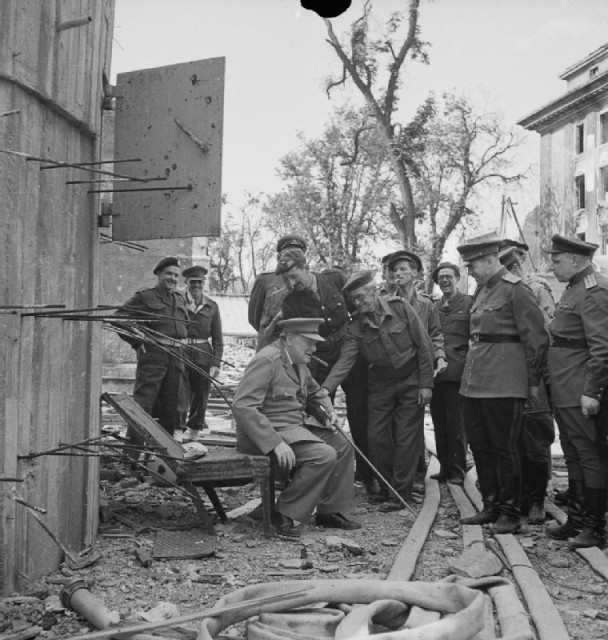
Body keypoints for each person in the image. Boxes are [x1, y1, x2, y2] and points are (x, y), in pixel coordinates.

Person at [232, 317, 360, 539]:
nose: (314, 347)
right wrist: (274, 443)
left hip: (292, 428)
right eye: (308, 342)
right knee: (323, 455)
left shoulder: (298, 360)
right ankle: (283, 513)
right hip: (263, 433)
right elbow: (242, 406)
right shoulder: (268, 360)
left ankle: (329, 511)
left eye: (315, 342)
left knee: (343, 443)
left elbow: (315, 392)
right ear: (290, 339)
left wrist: (330, 412)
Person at [457, 238, 549, 535]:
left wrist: (533, 382)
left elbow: (536, 339)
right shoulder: (483, 290)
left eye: (472, 265)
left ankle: (510, 512)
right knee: (480, 446)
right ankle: (491, 505)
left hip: (504, 382)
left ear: (488, 260)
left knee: (505, 448)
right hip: (475, 381)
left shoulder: (515, 289)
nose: (470, 272)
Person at [322, 271, 435, 510]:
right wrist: (325, 389)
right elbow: (346, 361)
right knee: (375, 437)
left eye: (362, 297)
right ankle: (387, 487)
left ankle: (399, 494)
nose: (358, 303)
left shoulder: (401, 308)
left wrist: (426, 384)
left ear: (375, 292)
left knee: (406, 438)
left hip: (410, 380)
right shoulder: (355, 327)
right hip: (381, 384)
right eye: (354, 299)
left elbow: (424, 345)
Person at [274, 249, 378, 496]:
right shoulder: (291, 302)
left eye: (294, 275)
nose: (291, 283)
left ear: (305, 266)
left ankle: (368, 478)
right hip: (318, 362)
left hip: (350, 357)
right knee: (321, 419)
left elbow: (358, 308)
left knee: (360, 417)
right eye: (286, 279)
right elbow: (296, 340)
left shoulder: (335, 279)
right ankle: (321, 479)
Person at [544, 235, 608, 549]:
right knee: (573, 454)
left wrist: (593, 391)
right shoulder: (574, 288)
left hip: (579, 388)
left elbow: (602, 347)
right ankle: (578, 520)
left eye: (556, 261)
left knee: (589, 456)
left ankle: (596, 527)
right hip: (565, 387)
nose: (551, 266)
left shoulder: (594, 290)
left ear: (575, 259)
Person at [499, 246, 555, 524]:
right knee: (513, 440)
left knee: (536, 439)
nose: (511, 271)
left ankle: (536, 500)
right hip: (506, 376)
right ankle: (519, 498)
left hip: (534, 375)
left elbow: (547, 330)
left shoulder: (536, 289)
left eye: (513, 265)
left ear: (520, 263)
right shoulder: (492, 291)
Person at [388, 249, 447, 491]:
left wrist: (441, 356)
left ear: (415, 274)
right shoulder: (385, 301)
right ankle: (396, 480)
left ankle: (411, 478)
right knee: (392, 430)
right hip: (391, 373)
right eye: (395, 270)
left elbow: (436, 335)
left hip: (417, 372)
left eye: (403, 270)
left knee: (410, 432)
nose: (397, 274)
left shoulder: (426, 304)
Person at [117, 257, 189, 439]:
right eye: (168, 274)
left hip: (176, 356)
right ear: (158, 274)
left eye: (175, 275)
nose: (172, 278)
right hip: (153, 357)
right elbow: (118, 319)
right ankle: (132, 458)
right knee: (143, 405)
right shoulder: (145, 297)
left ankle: (159, 459)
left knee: (169, 408)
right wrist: (136, 342)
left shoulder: (180, 299)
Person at [428, 262, 472, 486]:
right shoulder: (433, 306)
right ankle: (445, 467)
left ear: (458, 278)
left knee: (456, 423)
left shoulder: (469, 303)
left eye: (449, 277)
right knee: (440, 421)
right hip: (436, 372)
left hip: (458, 372)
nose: (445, 281)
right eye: (441, 278)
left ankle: (457, 470)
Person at [181, 265, 223, 442]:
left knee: (201, 393)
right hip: (180, 351)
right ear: (186, 283)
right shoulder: (178, 302)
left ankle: (194, 430)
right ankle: (177, 429)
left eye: (199, 282)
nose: (196, 286)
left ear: (204, 283)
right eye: (193, 282)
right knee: (179, 392)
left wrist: (216, 363)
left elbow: (217, 338)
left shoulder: (211, 306)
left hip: (203, 354)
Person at [248, 234, 307, 350]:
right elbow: (254, 318)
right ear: (278, 257)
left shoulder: (308, 280)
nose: (292, 258)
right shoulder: (265, 279)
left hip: (299, 347)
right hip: (271, 346)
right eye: (287, 254)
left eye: (297, 254)